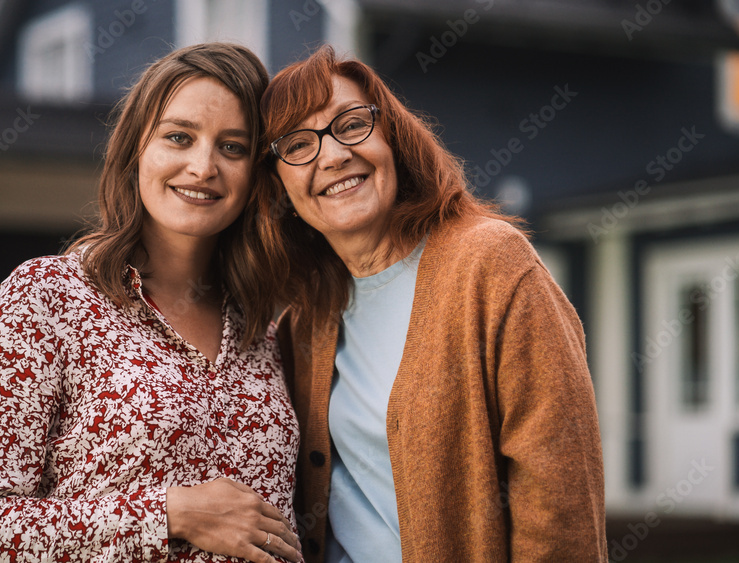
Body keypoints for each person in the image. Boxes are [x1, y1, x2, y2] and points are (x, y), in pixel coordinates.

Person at [0, 43, 302, 563]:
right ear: (136, 151)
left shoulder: (265, 328)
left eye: (233, 147)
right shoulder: (49, 298)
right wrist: (172, 514)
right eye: (179, 137)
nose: (203, 166)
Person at [257, 46, 606, 562]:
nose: (331, 156)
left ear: (392, 136)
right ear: (278, 182)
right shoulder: (304, 318)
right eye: (298, 145)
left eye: (351, 124)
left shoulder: (491, 265)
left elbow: (560, 496)